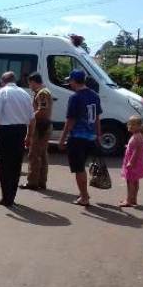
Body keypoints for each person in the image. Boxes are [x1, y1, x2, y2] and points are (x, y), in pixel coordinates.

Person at [0, 71, 34, 207]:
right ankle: (11, 196)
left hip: (6, 132)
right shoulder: (25, 94)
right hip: (20, 131)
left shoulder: (2, 92)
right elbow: (32, 119)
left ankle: (6, 198)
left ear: (2, 81)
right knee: (16, 165)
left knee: (4, 166)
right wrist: (29, 136)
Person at [58, 69, 102, 207]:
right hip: (91, 136)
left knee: (79, 168)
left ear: (73, 81)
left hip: (77, 137)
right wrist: (98, 135)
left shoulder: (75, 97)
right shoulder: (94, 95)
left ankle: (84, 197)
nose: (69, 84)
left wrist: (62, 138)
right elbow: (97, 118)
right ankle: (84, 194)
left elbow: (70, 121)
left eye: (70, 81)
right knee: (84, 166)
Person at [22, 72, 53, 191]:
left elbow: (42, 111)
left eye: (30, 84)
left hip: (41, 126)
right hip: (44, 126)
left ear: (33, 82)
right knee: (42, 155)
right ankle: (41, 181)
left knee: (34, 155)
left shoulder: (42, 93)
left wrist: (29, 117)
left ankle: (32, 182)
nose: (29, 86)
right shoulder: (44, 92)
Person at [119, 116, 143, 207]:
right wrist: (128, 146)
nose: (130, 126)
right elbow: (135, 148)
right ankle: (133, 199)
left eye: (133, 124)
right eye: (129, 123)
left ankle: (129, 200)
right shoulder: (138, 136)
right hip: (137, 163)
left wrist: (131, 162)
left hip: (133, 163)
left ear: (139, 126)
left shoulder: (137, 137)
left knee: (130, 181)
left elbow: (137, 151)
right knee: (134, 181)